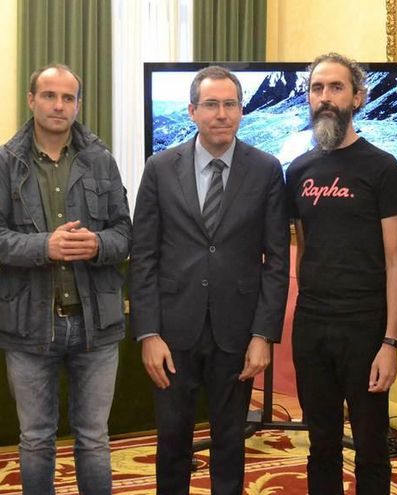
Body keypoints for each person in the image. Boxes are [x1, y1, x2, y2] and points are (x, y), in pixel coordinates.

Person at [130, 65, 289, 495]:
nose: (222, 114)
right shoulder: (160, 168)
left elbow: (277, 259)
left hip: (237, 331)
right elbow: (142, 255)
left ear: (241, 110)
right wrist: (148, 332)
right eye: (211, 105)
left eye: (230, 104)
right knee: (174, 440)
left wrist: (264, 335)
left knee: (230, 442)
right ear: (192, 111)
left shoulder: (267, 169)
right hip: (172, 331)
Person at [0, 64, 132, 495]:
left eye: (68, 98)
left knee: (94, 439)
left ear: (78, 104)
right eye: (49, 95)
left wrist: (98, 245)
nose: (59, 105)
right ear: (32, 100)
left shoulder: (101, 160)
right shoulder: (3, 162)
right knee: (36, 439)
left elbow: (125, 233)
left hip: (95, 323)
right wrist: (45, 246)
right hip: (29, 322)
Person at [285, 52, 397, 494]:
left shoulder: (383, 169)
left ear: (358, 97)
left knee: (372, 444)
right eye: (317, 89)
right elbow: (303, 246)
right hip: (312, 325)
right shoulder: (298, 171)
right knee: (321, 443)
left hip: (365, 326)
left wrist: (390, 341)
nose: (325, 98)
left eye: (336, 88)